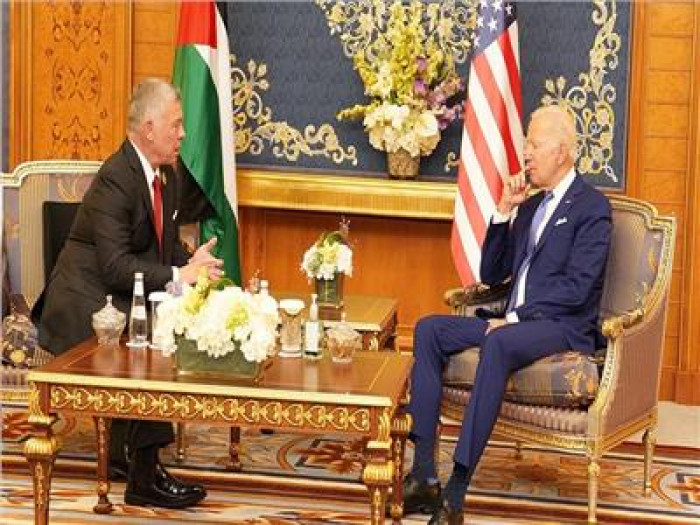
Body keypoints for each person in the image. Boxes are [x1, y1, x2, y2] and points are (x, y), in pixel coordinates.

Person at [396, 105, 612, 525]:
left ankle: (456, 491)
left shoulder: (592, 207)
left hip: (561, 327)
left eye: (534, 144)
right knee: (428, 329)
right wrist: (503, 211)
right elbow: (492, 274)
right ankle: (423, 474)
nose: (525, 153)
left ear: (562, 151)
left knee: (497, 340)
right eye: (526, 144)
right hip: (512, 324)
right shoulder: (528, 208)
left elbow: (579, 288)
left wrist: (515, 319)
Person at [32, 78, 223, 509]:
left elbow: (163, 244)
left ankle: (127, 456)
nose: (183, 134)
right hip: (83, 300)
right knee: (148, 346)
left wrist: (194, 261)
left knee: (159, 327)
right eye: (175, 125)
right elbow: (116, 267)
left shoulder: (168, 175)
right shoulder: (116, 178)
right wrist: (179, 273)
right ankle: (144, 476)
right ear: (149, 128)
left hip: (119, 295)